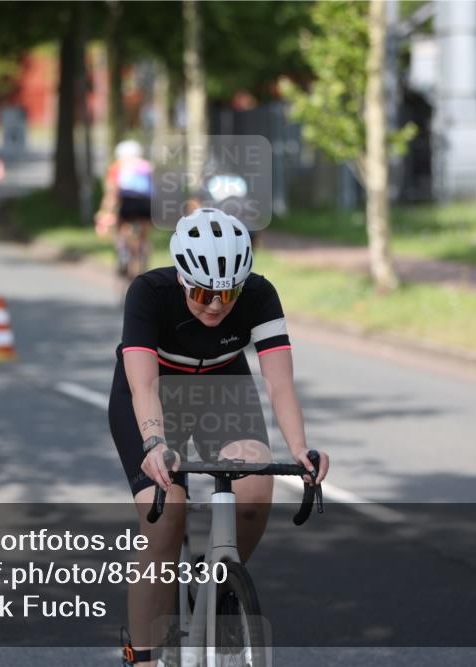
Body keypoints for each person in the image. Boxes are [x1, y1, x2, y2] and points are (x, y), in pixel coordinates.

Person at [109, 208, 330, 666]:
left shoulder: (260, 294)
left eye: (228, 293)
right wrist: (154, 443)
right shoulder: (149, 292)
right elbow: (144, 385)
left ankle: (218, 585)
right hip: (155, 396)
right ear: (183, 278)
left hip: (221, 391)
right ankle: (142, 657)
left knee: (253, 489)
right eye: (204, 292)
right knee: (165, 515)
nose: (216, 305)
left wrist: (298, 448)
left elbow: (280, 383)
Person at [96, 139, 155, 278]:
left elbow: (112, 192)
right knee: (144, 233)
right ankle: (144, 252)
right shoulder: (147, 166)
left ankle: (123, 252)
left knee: (120, 227)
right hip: (147, 203)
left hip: (128, 202)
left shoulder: (117, 166)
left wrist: (106, 211)